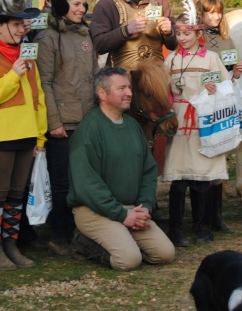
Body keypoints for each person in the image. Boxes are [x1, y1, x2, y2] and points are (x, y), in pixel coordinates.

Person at [67, 67, 175, 271]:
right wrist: (122, 215)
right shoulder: (89, 130)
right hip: (94, 211)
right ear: (102, 94)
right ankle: (83, 241)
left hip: (131, 208)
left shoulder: (133, 126)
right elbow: (87, 185)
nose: (129, 93)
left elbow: (148, 171)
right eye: (122, 88)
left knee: (165, 254)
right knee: (128, 260)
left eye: (129, 87)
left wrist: (145, 207)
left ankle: (124, 238)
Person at [0, 1, 47, 270]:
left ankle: (11, 245)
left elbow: (38, 97)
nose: (21, 28)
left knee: (17, 194)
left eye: (22, 24)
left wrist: (40, 137)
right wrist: (14, 74)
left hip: (27, 134)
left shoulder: (27, 54)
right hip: (1, 135)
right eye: (16, 24)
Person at [34, 0, 99, 256]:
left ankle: (80, 231)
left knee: (84, 180)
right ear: (60, 5)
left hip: (86, 120)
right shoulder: (47, 37)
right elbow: (43, 82)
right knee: (62, 182)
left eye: (84, 4)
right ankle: (58, 235)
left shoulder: (86, 35)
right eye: (76, 4)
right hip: (62, 123)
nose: (82, 9)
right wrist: (54, 123)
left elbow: (95, 76)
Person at [162, 11, 230, 246]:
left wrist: (215, 90)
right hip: (180, 121)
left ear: (198, 33)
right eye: (178, 33)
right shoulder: (170, 60)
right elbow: (165, 91)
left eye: (186, 33)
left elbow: (225, 86)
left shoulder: (210, 58)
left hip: (203, 120)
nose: (181, 38)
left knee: (202, 177)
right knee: (179, 178)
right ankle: (176, 228)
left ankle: (203, 226)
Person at [194, 0, 242, 232]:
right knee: (203, 161)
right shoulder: (194, 38)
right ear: (200, 13)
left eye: (219, 12)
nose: (216, 16)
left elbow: (230, 73)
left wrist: (236, 73)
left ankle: (217, 216)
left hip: (221, 106)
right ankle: (200, 218)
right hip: (200, 104)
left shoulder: (228, 40)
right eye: (210, 12)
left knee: (219, 159)